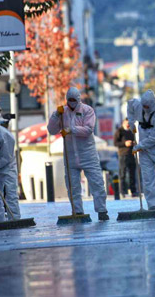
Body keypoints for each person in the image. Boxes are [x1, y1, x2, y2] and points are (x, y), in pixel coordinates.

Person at [47, 87, 109, 221]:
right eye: (69, 100)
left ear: (79, 99)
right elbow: (51, 130)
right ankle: (78, 211)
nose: (72, 102)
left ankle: (102, 210)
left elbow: (88, 129)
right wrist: (55, 116)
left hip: (87, 154)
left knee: (97, 183)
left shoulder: (87, 110)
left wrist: (71, 129)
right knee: (72, 186)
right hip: (70, 156)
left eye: (74, 100)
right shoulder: (62, 112)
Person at [114, 118, 137, 197]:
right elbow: (115, 143)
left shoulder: (131, 131)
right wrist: (125, 143)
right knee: (123, 173)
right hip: (123, 154)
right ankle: (122, 191)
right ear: (123, 123)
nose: (128, 125)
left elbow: (135, 139)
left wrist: (133, 143)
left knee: (132, 173)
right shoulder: (119, 131)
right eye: (126, 123)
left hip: (132, 154)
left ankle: (133, 190)